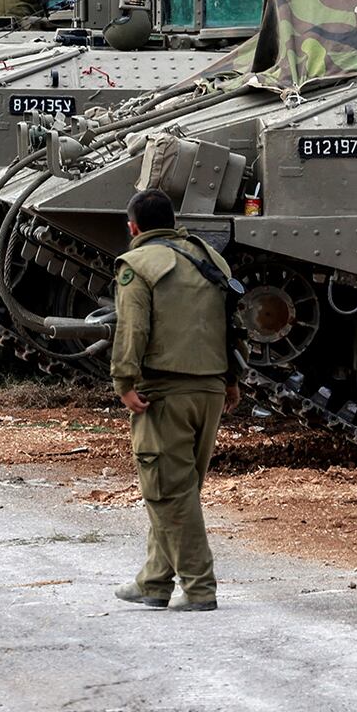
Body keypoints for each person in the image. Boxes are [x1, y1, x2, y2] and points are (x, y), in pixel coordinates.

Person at [109, 188, 241, 613]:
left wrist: (123, 380)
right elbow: (227, 324)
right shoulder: (209, 257)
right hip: (211, 389)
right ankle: (154, 581)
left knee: (168, 492)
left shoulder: (137, 265)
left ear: (134, 228)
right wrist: (232, 379)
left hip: (165, 390)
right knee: (178, 488)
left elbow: (132, 329)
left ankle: (200, 588)